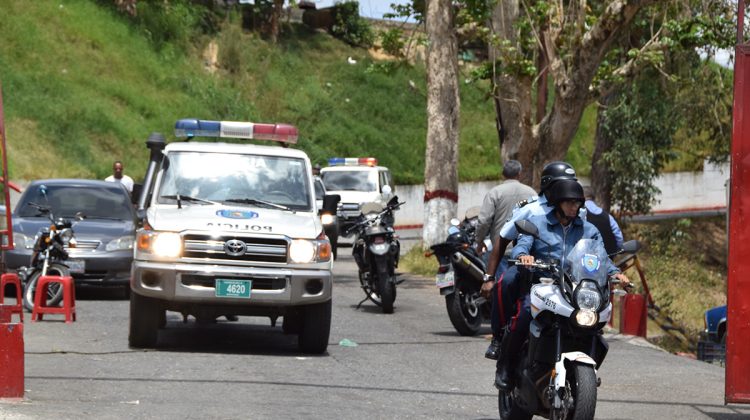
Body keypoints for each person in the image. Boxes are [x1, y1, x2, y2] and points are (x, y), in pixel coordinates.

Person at [494, 178, 631, 390]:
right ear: (557, 202)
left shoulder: (589, 230)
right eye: (569, 202)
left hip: (574, 287)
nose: (574, 207)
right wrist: (524, 256)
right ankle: (505, 365)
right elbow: (523, 244)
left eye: (577, 203)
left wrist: (616, 274)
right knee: (525, 314)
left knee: (595, 324)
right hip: (543, 283)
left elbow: (601, 257)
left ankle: (585, 373)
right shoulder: (538, 224)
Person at [480, 161, 578, 360]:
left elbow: (591, 243)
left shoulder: (577, 211)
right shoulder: (531, 209)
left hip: (567, 273)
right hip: (533, 268)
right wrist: (488, 276)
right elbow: (503, 239)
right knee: (505, 283)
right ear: (550, 187)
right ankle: (499, 337)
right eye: (564, 185)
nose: (570, 192)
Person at [474, 160, 536, 359]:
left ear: (503, 174)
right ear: (519, 173)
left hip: (500, 251)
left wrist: (478, 241)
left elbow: (484, 220)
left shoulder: (495, 193)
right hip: (527, 255)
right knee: (520, 293)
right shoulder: (532, 193)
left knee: (500, 293)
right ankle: (508, 336)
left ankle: (500, 335)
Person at [582, 185, 624, 255]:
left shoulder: (579, 215)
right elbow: (619, 238)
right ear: (593, 198)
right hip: (608, 258)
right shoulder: (608, 216)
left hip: (587, 261)